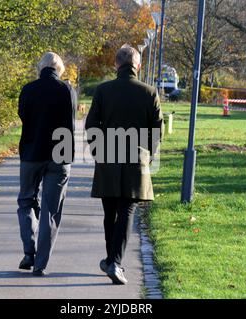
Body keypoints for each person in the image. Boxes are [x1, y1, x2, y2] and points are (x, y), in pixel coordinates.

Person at [85, 45, 163, 285]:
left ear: (116, 64)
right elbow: (156, 130)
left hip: (108, 156)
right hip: (135, 159)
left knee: (110, 212)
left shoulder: (103, 90)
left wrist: (98, 150)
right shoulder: (149, 92)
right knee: (127, 210)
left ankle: (111, 260)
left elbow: (91, 124)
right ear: (137, 66)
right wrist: (148, 155)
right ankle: (115, 263)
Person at [17, 52, 77, 276]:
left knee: (26, 201)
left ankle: (28, 251)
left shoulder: (28, 90)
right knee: (51, 209)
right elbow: (71, 122)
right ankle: (40, 264)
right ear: (59, 69)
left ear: (40, 67)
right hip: (59, 156)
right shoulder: (67, 90)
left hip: (31, 153)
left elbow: (23, 115)